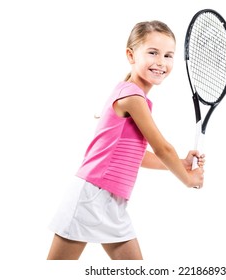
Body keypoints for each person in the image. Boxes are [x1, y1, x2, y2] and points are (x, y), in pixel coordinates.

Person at [47, 20, 205, 260]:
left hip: (112, 200)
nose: (161, 62)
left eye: (168, 55)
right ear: (131, 55)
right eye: (152, 52)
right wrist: (187, 179)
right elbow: (162, 148)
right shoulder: (131, 97)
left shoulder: (133, 94)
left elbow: (136, 155)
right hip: (92, 195)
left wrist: (181, 163)